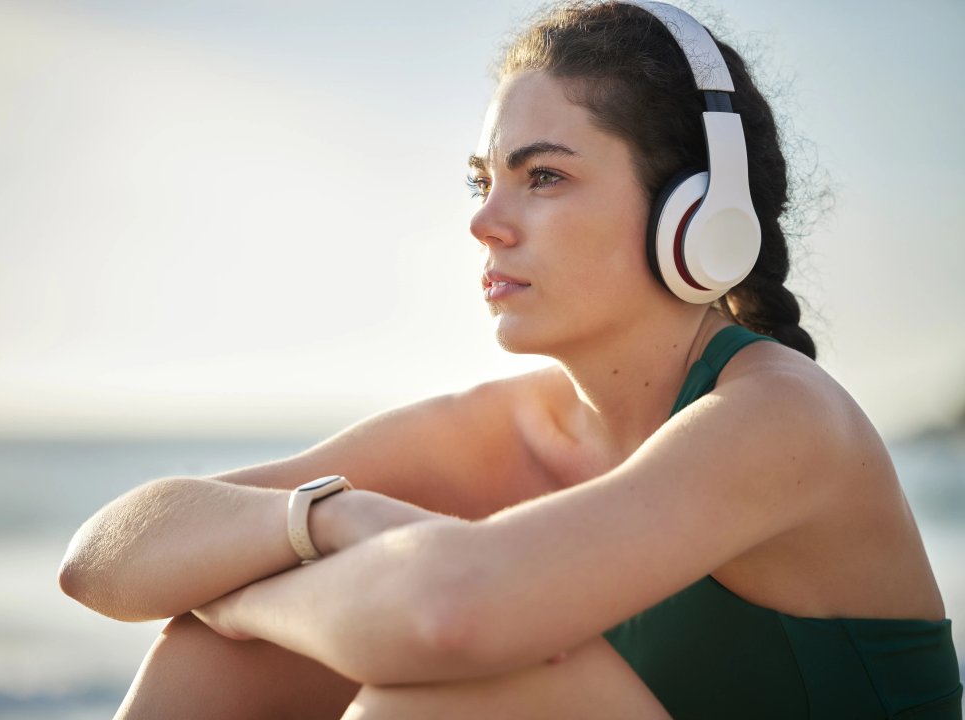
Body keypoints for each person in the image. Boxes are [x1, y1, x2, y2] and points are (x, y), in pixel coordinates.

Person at [59, 2, 962, 718]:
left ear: (698, 218)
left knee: (460, 691)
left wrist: (251, 592)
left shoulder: (781, 418)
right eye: (481, 179)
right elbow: (101, 559)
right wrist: (324, 524)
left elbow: (451, 615)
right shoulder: (509, 425)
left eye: (544, 177)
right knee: (223, 652)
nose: (484, 222)